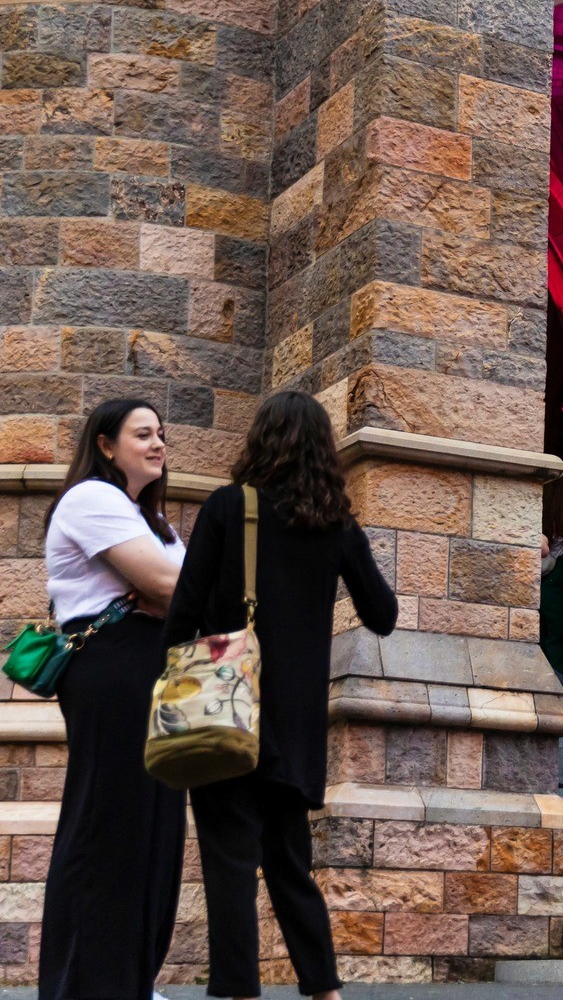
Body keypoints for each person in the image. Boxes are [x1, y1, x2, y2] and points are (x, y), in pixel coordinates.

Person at [164, 390, 400, 1000]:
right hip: (295, 729)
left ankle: (239, 991)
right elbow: (382, 614)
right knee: (291, 863)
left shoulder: (227, 507)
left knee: (230, 865)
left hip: (225, 711)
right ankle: (324, 989)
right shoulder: (336, 526)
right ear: (324, 451)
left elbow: (183, 611)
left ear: (260, 441)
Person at [37, 399, 188, 1000]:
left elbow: (188, 595)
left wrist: (170, 596)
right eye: (143, 434)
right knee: (109, 822)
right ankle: (85, 986)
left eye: (161, 434)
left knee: (156, 829)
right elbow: (171, 586)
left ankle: (131, 981)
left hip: (155, 665)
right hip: (113, 665)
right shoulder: (91, 499)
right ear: (105, 445)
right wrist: (163, 594)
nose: (158, 444)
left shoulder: (155, 522)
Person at [537, 524, 563, 684]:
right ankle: (561, 690)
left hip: (544, 577)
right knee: (561, 643)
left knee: (544, 638)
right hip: (562, 574)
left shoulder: (546, 518)